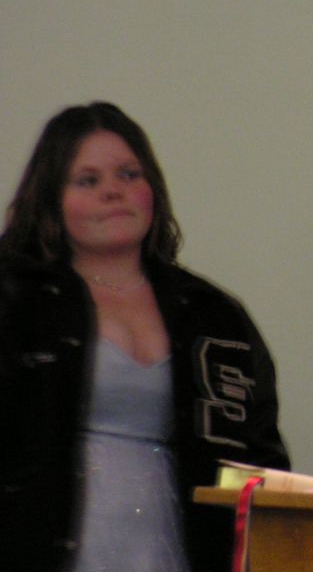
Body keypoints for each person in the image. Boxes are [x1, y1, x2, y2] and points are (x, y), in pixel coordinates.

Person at [0, 102, 290, 571]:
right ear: (51, 198)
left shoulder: (212, 313)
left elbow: (261, 459)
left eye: (129, 175)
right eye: (87, 180)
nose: (112, 191)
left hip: (180, 545)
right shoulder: (14, 299)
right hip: (37, 546)